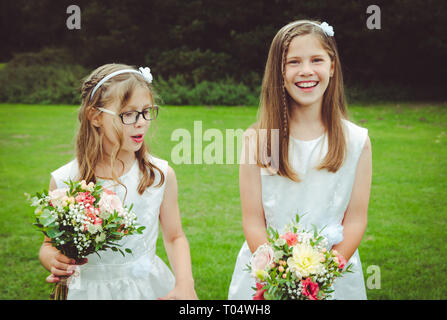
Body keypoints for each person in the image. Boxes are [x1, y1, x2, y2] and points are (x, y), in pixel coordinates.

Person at [228, 20, 372, 300]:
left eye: (316, 59)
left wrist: (323, 275)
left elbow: (355, 220)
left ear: (332, 66)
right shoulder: (257, 140)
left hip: (334, 276)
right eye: (293, 62)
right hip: (269, 272)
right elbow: (253, 221)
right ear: (279, 73)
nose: (306, 71)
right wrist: (280, 273)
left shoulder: (357, 141)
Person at [38, 63, 198, 300]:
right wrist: (53, 259)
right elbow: (48, 244)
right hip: (89, 291)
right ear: (96, 117)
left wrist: (185, 284)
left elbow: (175, 237)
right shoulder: (65, 181)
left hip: (146, 287)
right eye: (129, 114)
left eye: (147, 111)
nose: (142, 121)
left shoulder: (158, 175)